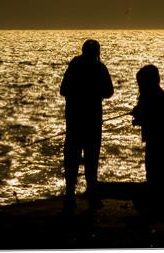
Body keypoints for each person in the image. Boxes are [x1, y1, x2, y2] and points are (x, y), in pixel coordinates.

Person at [60, 39, 114, 211]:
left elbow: (63, 90)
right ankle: (92, 197)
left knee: (71, 159)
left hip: (74, 121)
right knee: (92, 159)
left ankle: (70, 196)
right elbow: (109, 92)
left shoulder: (74, 66)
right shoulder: (100, 68)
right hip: (92, 122)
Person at [131, 64, 164, 217]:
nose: (139, 86)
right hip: (159, 134)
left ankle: (158, 200)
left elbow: (152, 118)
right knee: (157, 166)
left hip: (158, 135)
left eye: (141, 82)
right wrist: (139, 116)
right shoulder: (156, 95)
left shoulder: (155, 96)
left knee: (155, 166)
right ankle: (160, 198)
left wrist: (139, 116)